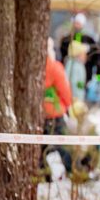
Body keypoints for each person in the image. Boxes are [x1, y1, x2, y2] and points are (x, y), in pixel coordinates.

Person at [42, 38, 73, 179]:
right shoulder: (54, 67)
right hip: (55, 113)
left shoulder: (29, 67)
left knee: (39, 149)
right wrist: (68, 105)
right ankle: (74, 172)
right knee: (65, 146)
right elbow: (64, 90)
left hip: (38, 115)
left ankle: (43, 174)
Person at [60, 13, 99, 83]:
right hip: (71, 68)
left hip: (85, 70)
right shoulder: (67, 39)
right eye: (76, 23)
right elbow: (63, 51)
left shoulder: (89, 39)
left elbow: (96, 53)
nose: (77, 26)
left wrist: (87, 56)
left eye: (79, 24)